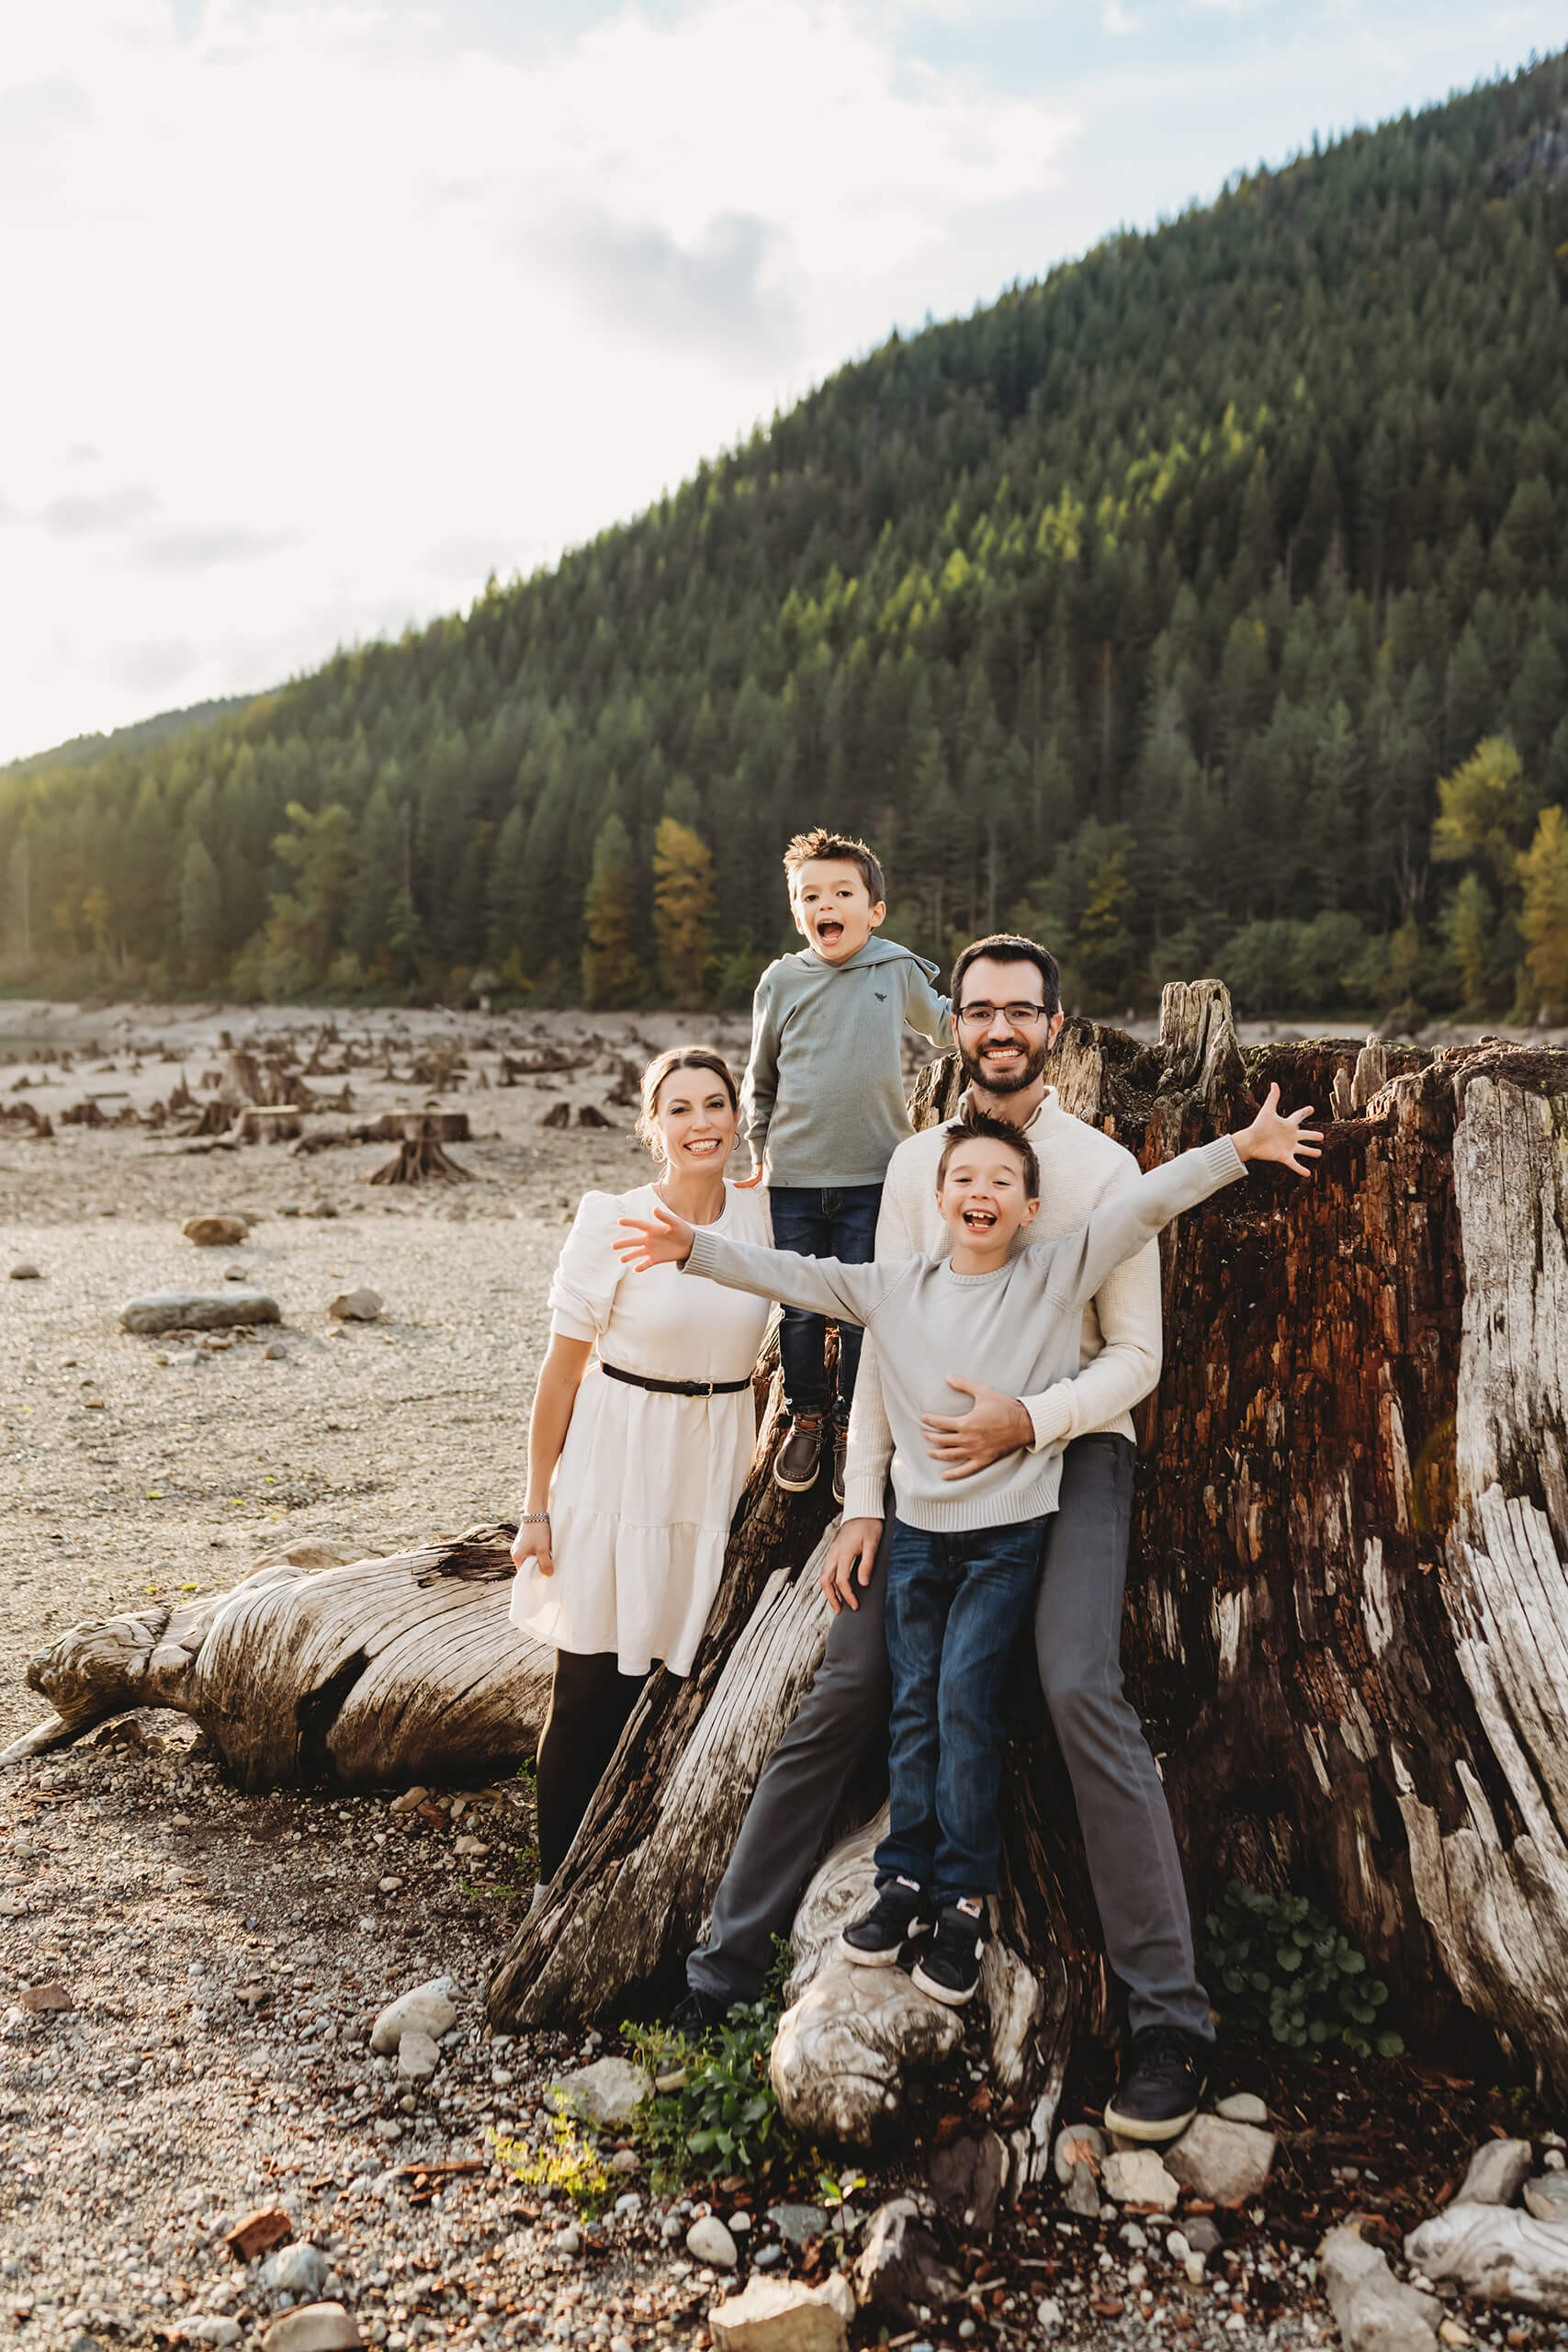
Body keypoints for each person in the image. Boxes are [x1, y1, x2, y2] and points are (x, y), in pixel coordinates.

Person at [675, 935, 1247, 2141]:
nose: (995, 1027)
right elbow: (887, 1331)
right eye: (975, 1009)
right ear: (957, 1028)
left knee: (1077, 1680)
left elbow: (1132, 1358)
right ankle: (719, 1972)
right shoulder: (913, 1167)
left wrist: (1027, 1420)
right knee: (847, 1681)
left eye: (1017, 1010)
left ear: (1051, 1023)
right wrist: (862, 1500)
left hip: (1070, 1443)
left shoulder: (1097, 1168)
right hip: (933, 1466)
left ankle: (1167, 2024)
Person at [617, 1089, 1319, 2007]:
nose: (979, 1191)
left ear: (1032, 1208)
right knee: (906, 1707)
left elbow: (1148, 1204)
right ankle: (897, 1880)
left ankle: (967, 1899)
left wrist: (1240, 1147)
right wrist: (696, 1249)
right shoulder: (897, 1287)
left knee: (965, 1707)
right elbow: (795, 1273)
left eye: (1002, 1180)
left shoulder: (1054, 1274)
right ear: (937, 1197)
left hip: (1008, 1540)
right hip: (917, 1541)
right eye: (961, 1178)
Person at [508, 1046, 772, 1915]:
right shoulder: (611, 1218)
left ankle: (644, 1877)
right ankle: (556, 1885)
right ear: (651, 1126)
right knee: (588, 1685)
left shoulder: (763, 1213)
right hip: (616, 1462)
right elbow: (559, 1375)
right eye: (679, 1108)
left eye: (715, 1104)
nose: (700, 1123)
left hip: (713, 1465)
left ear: (737, 1116)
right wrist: (535, 1509)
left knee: (677, 1677)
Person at [739, 826, 951, 1506]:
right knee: (799, 1309)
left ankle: (854, 1426)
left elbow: (946, 1025)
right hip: (795, 1176)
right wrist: (757, 1144)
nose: (824, 904)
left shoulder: (896, 969)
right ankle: (805, 1414)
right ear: (798, 912)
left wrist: (1006, 1015)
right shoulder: (780, 980)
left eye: (841, 891)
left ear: (873, 909)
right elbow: (760, 1071)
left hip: (873, 1174)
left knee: (865, 1308)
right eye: (810, 895)